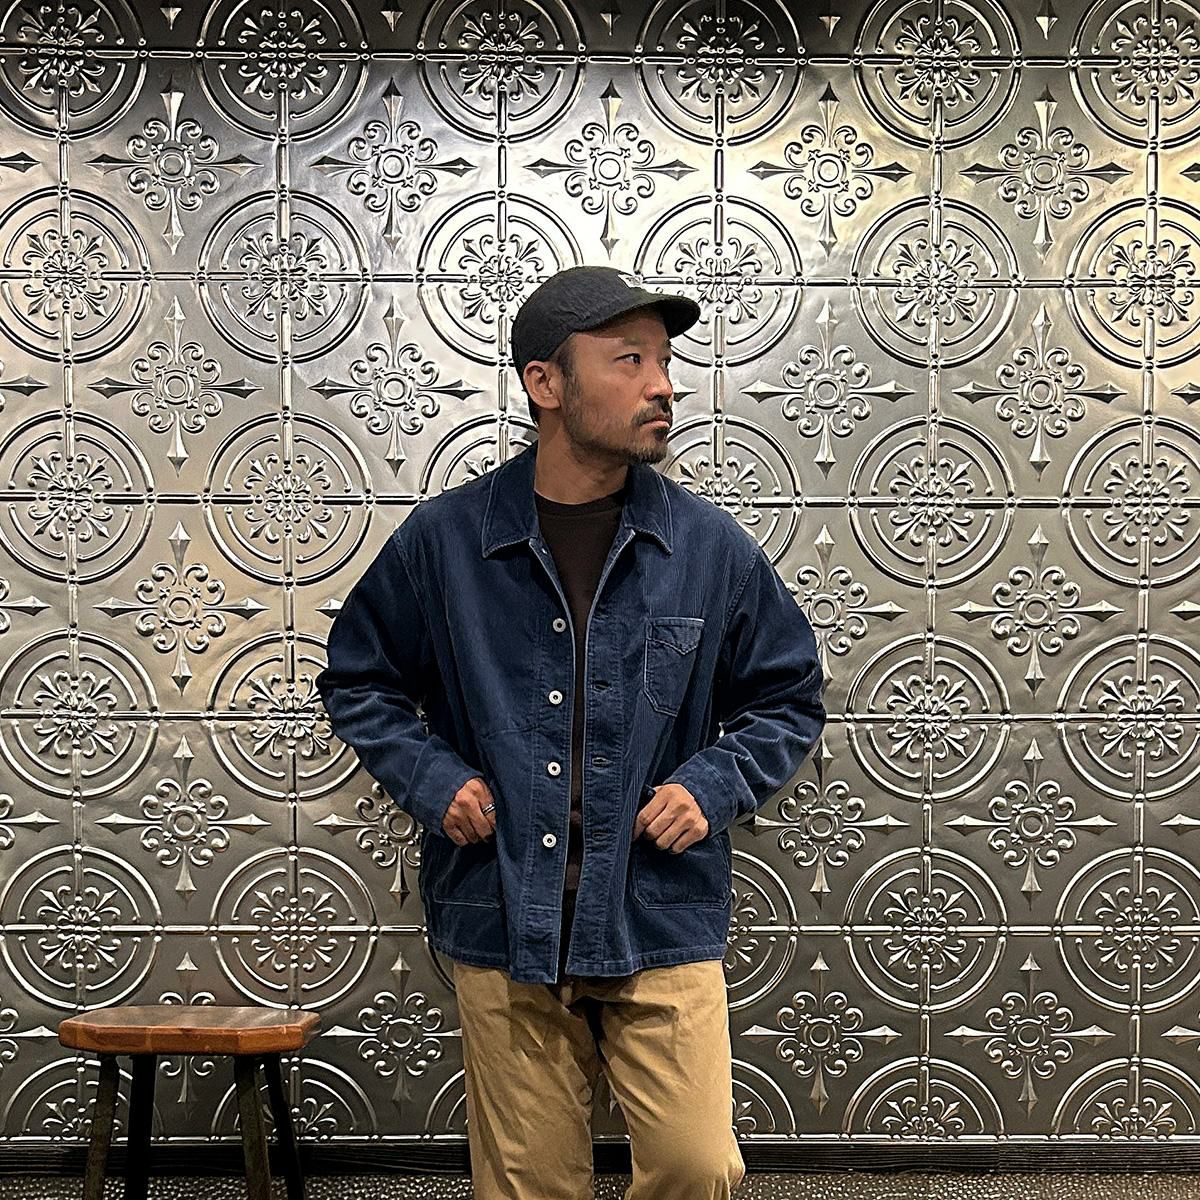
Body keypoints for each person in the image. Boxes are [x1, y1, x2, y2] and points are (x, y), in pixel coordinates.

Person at [315, 265, 826, 1200]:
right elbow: (359, 679)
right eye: (630, 360)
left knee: (697, 1165)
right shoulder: (446, 542)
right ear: (545, 383)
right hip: (505, 910)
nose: (663, 385)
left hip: (658, 909)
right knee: (529, 1185)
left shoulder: (706, 547)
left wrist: (711, 787)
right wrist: (433, 780)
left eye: (664, 361)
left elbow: (787, 695)